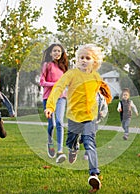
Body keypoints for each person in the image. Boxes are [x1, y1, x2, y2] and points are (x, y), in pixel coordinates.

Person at [44, 44, 104, 192]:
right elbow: (58, 87)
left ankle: (94, 174)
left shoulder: (96, 77)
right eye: (81, 58)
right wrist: (50, 106)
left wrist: (102, 109)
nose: (83, 60)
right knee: (70, 141)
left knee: (90, 143)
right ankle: (73, 148)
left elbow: (99, 96)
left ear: (94, 62)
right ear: (77, 60)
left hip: (89, 117)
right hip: (73, 116)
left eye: (87, 58)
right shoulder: (71, 74)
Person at [39, 43, 68, 163]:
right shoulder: (47, 65)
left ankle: (60, 151)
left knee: (60, 122)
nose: (57, 53)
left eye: (59, 51)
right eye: (55, 51)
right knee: (51, 124)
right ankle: (50, 142)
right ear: (50, 53)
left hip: (61, 97)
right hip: (48, 97)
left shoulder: (63, 67)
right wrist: (55, 85)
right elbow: (42, 82)